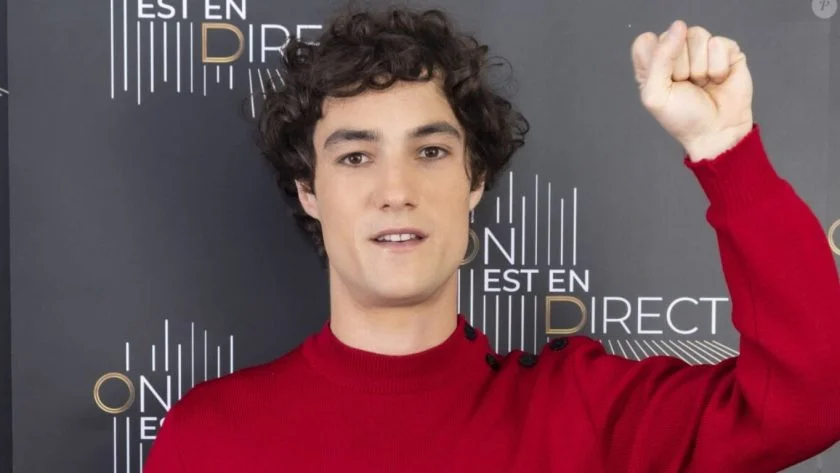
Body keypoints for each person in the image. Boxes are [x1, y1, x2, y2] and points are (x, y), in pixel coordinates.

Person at [144, 6, 840, 473]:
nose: (396, 189)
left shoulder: (586, 413)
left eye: (431, 151)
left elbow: (811, 397)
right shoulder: (210, 438)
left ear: (474, 180)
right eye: (355, 156)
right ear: (308, 190)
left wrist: (725, 148)